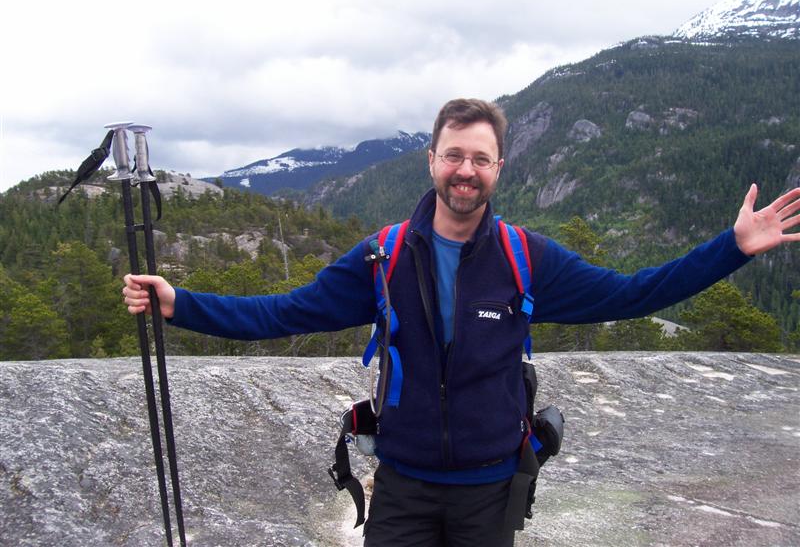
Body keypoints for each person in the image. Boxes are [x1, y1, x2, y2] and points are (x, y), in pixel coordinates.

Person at [123, 98, 800, 547]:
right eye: (454, 155)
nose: (465, 170)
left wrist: (731, 249)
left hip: (488, 491)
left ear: (498, 168)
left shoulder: (525, 258)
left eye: (479, 158)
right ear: (432, 161)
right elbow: (283, 312)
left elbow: (632, 294)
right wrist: (180, 303)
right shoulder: (382, 256)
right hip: (403, 489)